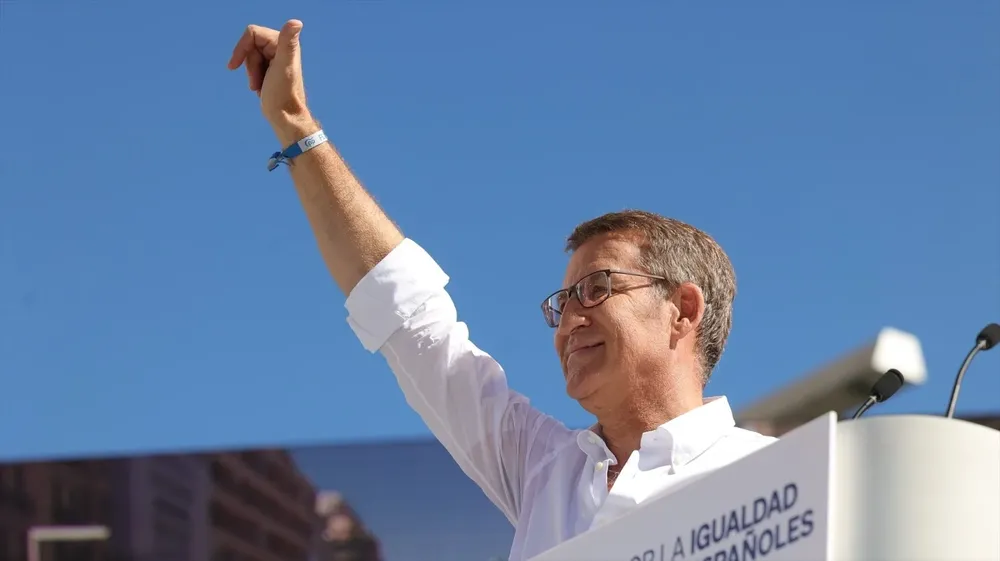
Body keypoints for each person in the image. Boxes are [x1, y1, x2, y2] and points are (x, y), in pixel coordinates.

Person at [228, 20, 777, 561]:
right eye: (562, 304)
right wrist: (295, 124)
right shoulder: (544, 469)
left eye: (596, 288)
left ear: (683, 310)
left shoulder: (779, 481)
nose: (569, 322)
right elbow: (410, 318)